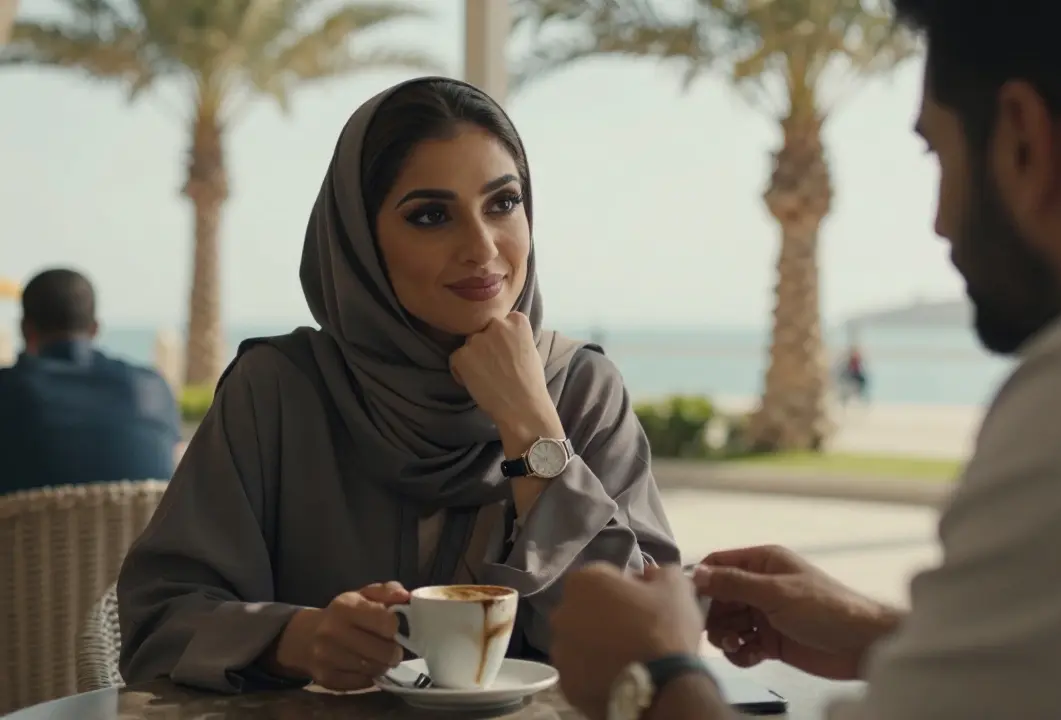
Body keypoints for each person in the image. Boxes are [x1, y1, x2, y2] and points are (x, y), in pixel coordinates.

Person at [548, 1, 1061, 718]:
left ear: (1023, 137)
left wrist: (652, 680)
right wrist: (893, 642)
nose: (937, 221)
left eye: (938, 151)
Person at [116, 78, 680, 694]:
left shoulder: (580, 390)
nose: (482, 247)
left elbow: (649, 645)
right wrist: (295, 639)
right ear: (360, 241)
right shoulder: (280, 392)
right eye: (431, 216)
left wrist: (531, 424)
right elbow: (158, 622)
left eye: (503, 203)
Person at [0, 268, 180, 493]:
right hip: (142, 527)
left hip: (23, 527)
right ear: (95, 328)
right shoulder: (152, 389)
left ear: (25, 329)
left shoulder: (8, 391)